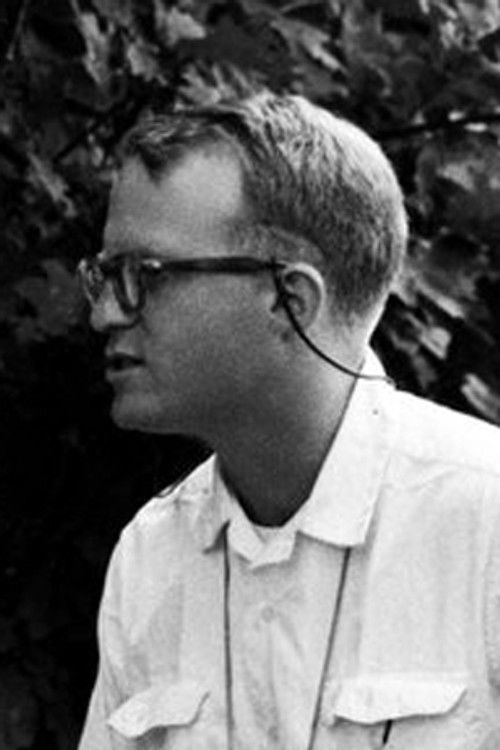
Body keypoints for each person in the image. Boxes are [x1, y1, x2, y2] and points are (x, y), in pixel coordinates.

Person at [77, 92, 500, 750]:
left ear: (289, 300)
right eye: (105, 275)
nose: (106, 312)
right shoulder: (151, 556)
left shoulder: (486, 521)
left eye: (144, 274)